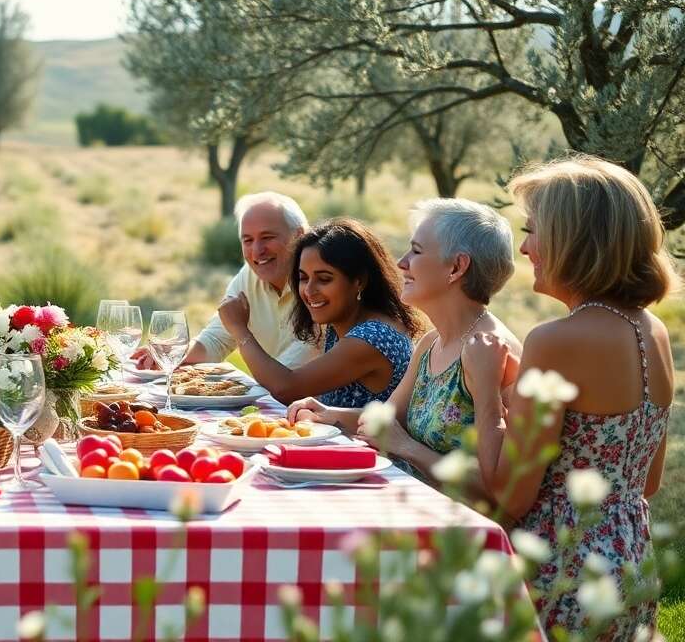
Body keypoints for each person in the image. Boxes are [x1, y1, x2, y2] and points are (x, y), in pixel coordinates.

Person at [467, 156, 676, 640]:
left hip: (564, 569)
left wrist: (484, 394)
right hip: (630, 565)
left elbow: (510, 497)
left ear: (573, 239)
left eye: (533, 230)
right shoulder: (654, 332)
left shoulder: (556, 339)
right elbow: (647, 481)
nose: (524, 247)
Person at [287, 199, 522, 490]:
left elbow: (503, 489)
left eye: (417, 251)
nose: (402, 262)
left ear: (457, 267)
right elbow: (386, 419)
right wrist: (327, 413)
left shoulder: (495, 351)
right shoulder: (430, 343)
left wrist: (408, 447)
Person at [219, 217, 422, 408]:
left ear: (359, 280)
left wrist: (239, 330)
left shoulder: (374, 337)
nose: (308, 291)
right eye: (303, 278)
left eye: (324, 279)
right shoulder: (344, 324)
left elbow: (286, 388)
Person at [132, 192, 318, 370]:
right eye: (247, 240)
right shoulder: (249, 275)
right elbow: (217, 339)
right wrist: (171, 352)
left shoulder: (319, 286)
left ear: (299, 236)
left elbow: (287, 380)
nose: (257, 250)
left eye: (267, 237)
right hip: (272, 396)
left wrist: (239, 330)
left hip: (308, 400)